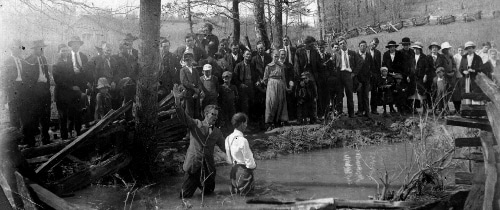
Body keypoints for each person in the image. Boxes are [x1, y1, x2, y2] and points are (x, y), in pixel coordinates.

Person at [172, 83, 226, 199]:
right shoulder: (195, 124)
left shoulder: (217, 132)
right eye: (213, 114)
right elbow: (183, 116)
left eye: (217, 115)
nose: (215, 117)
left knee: (210, 197)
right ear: (206, 114)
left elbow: (225, 147)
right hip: (193, 168)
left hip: (208, 170)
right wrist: (177, 100)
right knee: (184, 198)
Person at [53, 44, 84, 139]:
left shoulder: (70, 63)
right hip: (61, 94)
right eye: (62, 51)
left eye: (66, 51)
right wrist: (71, 87)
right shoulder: (56, 65)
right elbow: (59, 81)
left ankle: (75, 134)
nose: (65, 53)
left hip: (70, 94)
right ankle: (64, 138)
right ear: (59, 52)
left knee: (74, 113)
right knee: (63, 117)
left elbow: (73, 77)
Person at [24, 40, 51, 146]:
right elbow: (27, 80)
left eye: (42, 48)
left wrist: (47, 87)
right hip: (35, 91)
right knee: (34, 115)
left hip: (44, 89)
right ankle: (32, 141)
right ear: (34, 49)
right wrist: (33, 91)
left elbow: (47, 76)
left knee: (46, 115)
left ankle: (45, 138)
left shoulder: (44, 58)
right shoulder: (29, 60)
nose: (41, 50)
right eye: (39, 48)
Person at [225, 112, 256, 196]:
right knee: (247, 198)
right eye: (245, 123)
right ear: (242, 124)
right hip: (244, 172)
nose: (246, 125)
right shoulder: (243, 140)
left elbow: (228, 160)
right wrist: (253, 168)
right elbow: (250, 163)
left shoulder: (228, 138)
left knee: (236, 196)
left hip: (233, 172)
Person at [294, 36, 323, 118]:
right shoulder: (299, 52)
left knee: (313, 96)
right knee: (302, 96)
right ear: (306, 44)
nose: (312, 46)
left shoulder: (315, 52)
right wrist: (299, 79)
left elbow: (319, 65)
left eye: (313, 45)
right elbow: (296, 67)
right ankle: (300, 118)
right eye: (311, 44)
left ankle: (313, 117)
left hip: (312, 76)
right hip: (302, 75)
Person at [333, 37, 362, 118]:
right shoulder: (336, 54)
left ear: (346, 43)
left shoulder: (352, 53)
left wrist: (354, 73)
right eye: (340, 44)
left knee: (349, 94)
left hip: (349, 75)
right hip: (339, 75)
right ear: (339, 45)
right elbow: (333, 65)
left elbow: (360, 62)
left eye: (343, 43)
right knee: (339, 94)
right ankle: (339, 113)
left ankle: (351, 113)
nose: (342, 45)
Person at [2, 40, 26, 130]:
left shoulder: (22, 60)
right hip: (13, 89)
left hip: (23, 87)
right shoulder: (7, 61)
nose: (18, 50)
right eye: (16, 47)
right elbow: (5, 79)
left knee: (24, 113)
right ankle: (15, 138)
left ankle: (24, 136)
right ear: (11, 49)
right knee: (14, 114)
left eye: (19, 47)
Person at [263, 50, 289, 130]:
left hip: (280, 84)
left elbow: (283, 78)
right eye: (275, 56)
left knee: (280, 102)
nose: (276, 58)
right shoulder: (268, 66)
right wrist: (270, 84)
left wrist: (285, 86)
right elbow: (265, 79)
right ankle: (269, 122)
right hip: (271, 85)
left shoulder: (281, 66)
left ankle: (278, 121)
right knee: (272, 102)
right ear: (272, 56)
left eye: (278, 56)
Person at [408, 42, 431, 113]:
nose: (415, 50)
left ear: (420, 49)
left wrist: (425, 75)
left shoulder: (424, 57)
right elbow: (409, 68)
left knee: (422, 92)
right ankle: (414, 108)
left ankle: (424, 108)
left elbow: (427, 67)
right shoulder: (411, 57)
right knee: (413, 93)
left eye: (417, 49)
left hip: (421, 77)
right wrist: (408, 76)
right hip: (413, 77)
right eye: (414, 49)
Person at [179, 53, 202, 119]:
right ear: (184, 61)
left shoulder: (195, 70)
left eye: (190, 60)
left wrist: (197, 91)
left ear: (192, 60)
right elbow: (184, 82)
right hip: (188, 94)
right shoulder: (183, 70)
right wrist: (194, 89)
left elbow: (199, 81)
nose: (188, 62)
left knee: (196, 112)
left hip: (196, 94)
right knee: (189, 112)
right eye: (186, 60)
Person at [440, 42, 461, 114]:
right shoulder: (440, 57)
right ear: (443, 49)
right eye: (445, 49)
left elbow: (454, 64)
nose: (447, 50)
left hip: (453, 77)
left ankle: (457, 109)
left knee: (456, 93)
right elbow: (439, 67)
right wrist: (446, 73)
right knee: (445, 93)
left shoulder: (451, 56)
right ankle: (445, 109)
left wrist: (453, 71)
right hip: (445, 77)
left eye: (447, 49)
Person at [233, 50, 255, 117]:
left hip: (251, 85)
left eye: (250, 55)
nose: (249, 56)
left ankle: (251, 121)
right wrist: (240, 84)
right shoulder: (239, 65)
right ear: (243, 55)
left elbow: (255, 76)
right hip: (243, 86)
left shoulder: (252, 65)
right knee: (244, 105)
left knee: (252, 103)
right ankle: (245, 121)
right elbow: (235, 78)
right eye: (247, 54)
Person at [356, 40, 374, 117]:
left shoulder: (369, 56)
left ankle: (367, 111)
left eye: (364, 46)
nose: (363, 47)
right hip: (358, 79)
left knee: (366, 95)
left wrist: (370, 76)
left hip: (366, 79)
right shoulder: (355, 55)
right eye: (361, 46)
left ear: (366, 47)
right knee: (359, 95)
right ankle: (360, 110)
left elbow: (372, 67)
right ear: (359, 47)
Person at [326, 42, 342, 115]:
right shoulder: (329, 56)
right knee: (330, 95)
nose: (336, 48)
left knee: (338, 95)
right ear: (332, 48)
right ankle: (331, 110)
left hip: (338, 78)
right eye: (335, 47)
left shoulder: (340, 55)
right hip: (331, 79)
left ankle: (337, 110)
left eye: (337, 47)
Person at [369, 38, 382, 115]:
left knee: (374, 92)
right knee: (364, 93)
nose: (374, 46)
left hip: (375, 75)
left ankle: (374, 109)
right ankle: (363, 109)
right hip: (366, 75)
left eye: (376, 45)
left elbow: (378, 65)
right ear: (370, 42)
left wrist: (378, 75)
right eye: (373, 43)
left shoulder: (378, 53)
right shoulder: (364, 50)